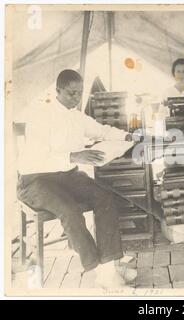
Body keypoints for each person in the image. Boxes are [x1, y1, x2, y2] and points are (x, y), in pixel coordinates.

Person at [17, 69, 137, 288]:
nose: (76, 98)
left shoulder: (76, 115)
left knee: (104, 197)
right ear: (58, 91)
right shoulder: (40, 115)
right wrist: (73, 155)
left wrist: (127, 136)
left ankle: (110, 267)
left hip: (66, 175)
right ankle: (99, 270)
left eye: (79, 94)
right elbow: (37, 157)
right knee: (69, 209)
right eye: (71, 93)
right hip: (35, 180)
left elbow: (101, 131)